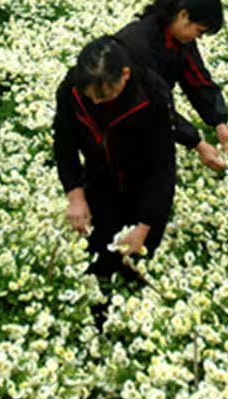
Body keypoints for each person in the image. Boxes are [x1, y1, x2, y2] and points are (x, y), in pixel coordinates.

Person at [53, 35, 176, 296]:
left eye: (105, 95)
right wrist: (75, 196)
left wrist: (144, 226)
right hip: (100, 179)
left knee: (139, 261)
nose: (97, 102)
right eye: (90, 96)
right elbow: (64, 145)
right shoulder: (71, 90)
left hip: (142, 183)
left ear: (125, 75)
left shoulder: (151, 94)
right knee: (97, 256)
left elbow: (163, 167)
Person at [114, 0, 228, 171]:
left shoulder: (178, 38)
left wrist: (220, 123)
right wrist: (198, 143)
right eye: (200, 31)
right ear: (183, 15)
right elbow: (154, 105)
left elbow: (198, 81)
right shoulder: (139, 44)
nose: (199, 38)